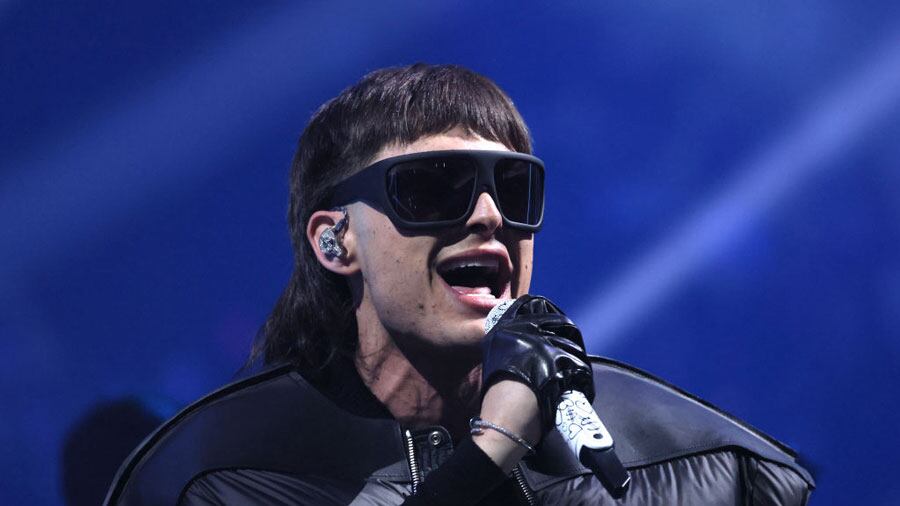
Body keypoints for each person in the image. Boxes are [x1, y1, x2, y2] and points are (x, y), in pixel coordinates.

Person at [105, 63, 814, 505]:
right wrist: (492, 450)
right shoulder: (219, 474)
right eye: (434, 186)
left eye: (514, 188)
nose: (488, 214)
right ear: (335, 240)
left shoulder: (696, 462)